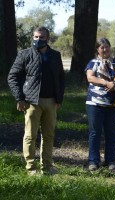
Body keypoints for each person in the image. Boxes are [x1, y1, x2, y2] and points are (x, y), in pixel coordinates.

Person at [7, 26, 65, 175]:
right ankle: (31, 168)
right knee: (30, 136)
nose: (38, 40)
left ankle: (48, 167)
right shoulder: (24, 54)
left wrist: (59, 98)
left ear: (48, 38)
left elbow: (60, 78)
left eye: (42, 37)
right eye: (36, 37)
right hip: (32, 102)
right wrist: (20, 98)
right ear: (33, 37)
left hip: (51, 102)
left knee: (49, 135)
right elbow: (12, 77)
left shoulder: (55, 55)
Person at [85, 38, 115, 171]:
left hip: (113, 104)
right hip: (95, 104)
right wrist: (106, 83)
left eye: (107, 47)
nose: (105, 49)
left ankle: (110, 161)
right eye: (102, 47)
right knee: (95, 132)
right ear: (97, 49)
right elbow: (90, 77)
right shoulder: (93, 63)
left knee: (111, 133)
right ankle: (93, 161)